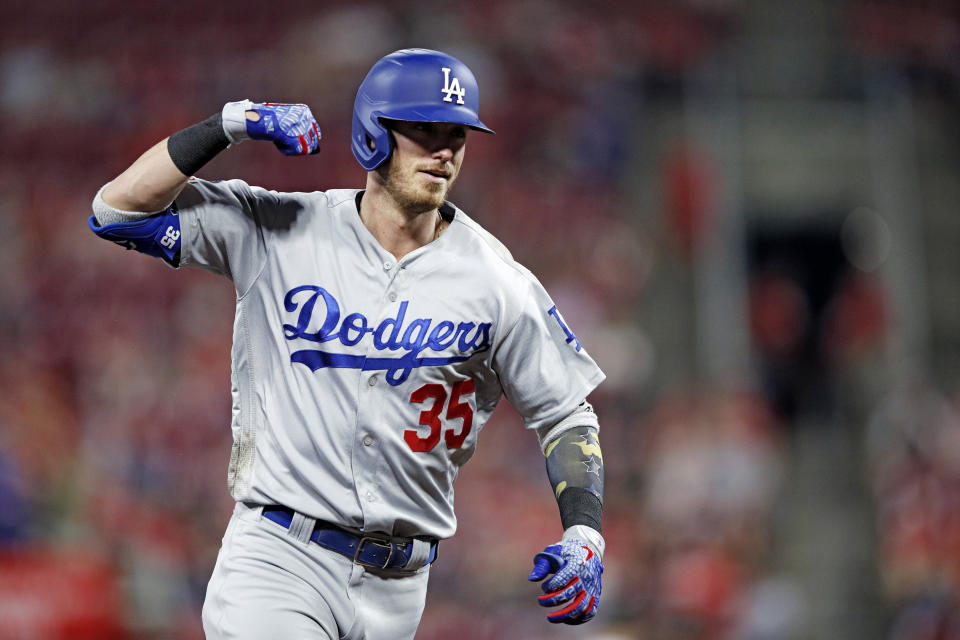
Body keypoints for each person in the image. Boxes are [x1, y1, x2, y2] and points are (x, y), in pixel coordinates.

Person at [89, 48, 607, 639]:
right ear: (372, 135)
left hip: (402, 586)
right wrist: (229, 124)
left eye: (456, 135)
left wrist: (584, 531)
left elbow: (567, 414)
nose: (444, 150)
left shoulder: (498, 281)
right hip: (281, 559)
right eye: (423, 130)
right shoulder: (281, 231)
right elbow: (116, 211)